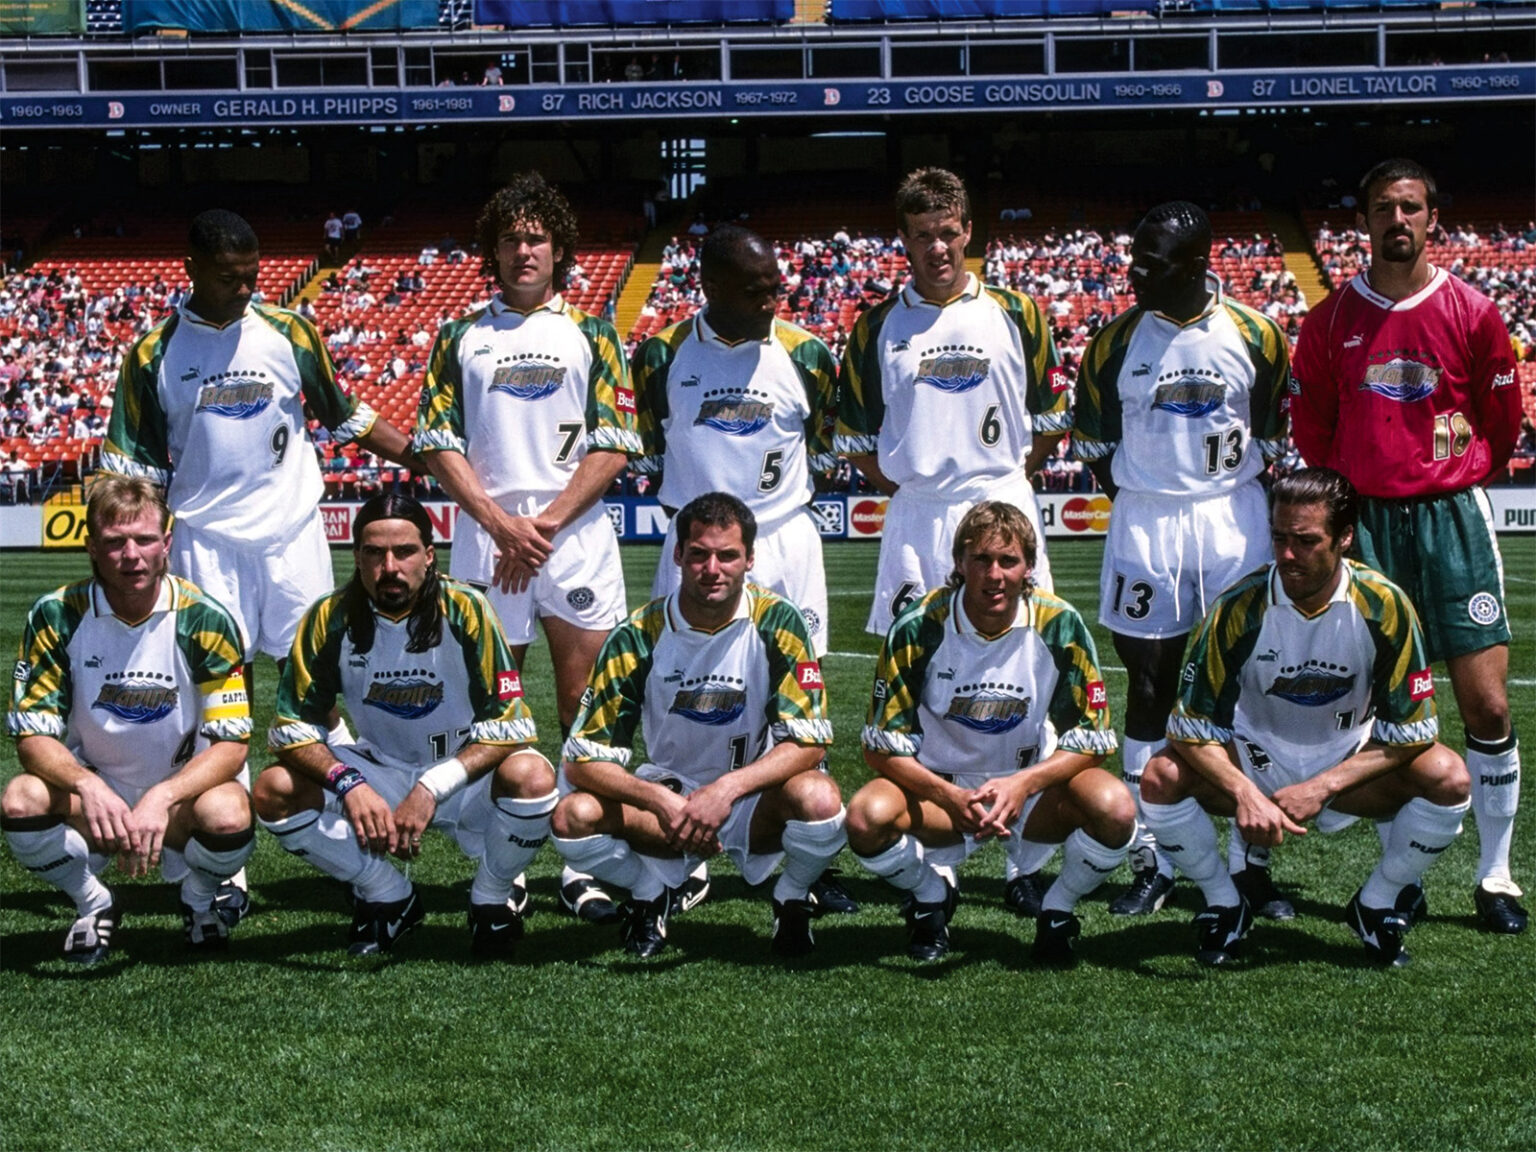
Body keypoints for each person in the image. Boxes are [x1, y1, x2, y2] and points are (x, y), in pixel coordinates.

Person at [1291, 158, 1526, 935]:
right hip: (1367, 524)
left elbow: (1501, 425)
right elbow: (1313, 432)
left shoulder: (1474, 312)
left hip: (1452, 517)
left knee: (1486, 703)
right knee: (1389, 708)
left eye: (1411, 207)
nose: (1398, 219)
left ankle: (1496, 874)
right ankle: (1404, 872)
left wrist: (1449, 473)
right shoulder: (1329, 322)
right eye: (1384, 208)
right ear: (1363, 221)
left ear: (1432, 219)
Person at [415, 173, 639, 924]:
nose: (523, 251)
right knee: (490, 712)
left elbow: (615, 442)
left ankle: (582, 860)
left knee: (585, 706)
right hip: (488, 538)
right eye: (510, 239)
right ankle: (500, 864)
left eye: (536, 238)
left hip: (572, 536)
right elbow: (436, 442)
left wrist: (539, 526)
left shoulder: (594, 333)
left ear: (559, 249)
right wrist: (498, 522)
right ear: (493, 250)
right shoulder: (459, 336)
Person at [1143, 468, 1471, 967]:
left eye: (1306, 540)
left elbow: (1412, 732)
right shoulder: (1237, 606)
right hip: (1256, 756)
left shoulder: (1384, 605)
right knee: (1160, 776)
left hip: (1348, 760)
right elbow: (1189, 729)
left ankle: (1376, 903)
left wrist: (1320, 787)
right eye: (1279, 538)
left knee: (1449, 777)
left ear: (1344, 538)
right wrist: (1245, 793)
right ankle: (1224, 903)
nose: (1288, 554)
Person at [1071, 201, 1291, 920]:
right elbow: (1096, 448)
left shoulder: (1257, 334)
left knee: (1248, 683)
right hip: (1146, 517)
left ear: (1197, 265)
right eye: (1134, 258)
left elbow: (1271, 433)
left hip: (1232, 515)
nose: (1134, 273)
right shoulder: (1112, 343)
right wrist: (1151, 491)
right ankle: (1154, 858)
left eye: (1151, 262)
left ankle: (1250, 864)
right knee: (1149, 682)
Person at [100, 209, 418, 685]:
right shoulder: (153, 354)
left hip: (292, 532)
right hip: (206, 539)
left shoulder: (289, 332)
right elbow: (137, 471)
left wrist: (424, 458)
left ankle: (317, 740)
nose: (245, 289)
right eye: (229, 278)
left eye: (253, 276)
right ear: (192, 269)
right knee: (222, 686)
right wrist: (134, 546)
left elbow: (346, 415)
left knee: (311, 680)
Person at [254, 494, 555, 958]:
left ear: (429, 556)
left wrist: (433, 787)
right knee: (274, 789)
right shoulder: (329, 616)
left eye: (405, 552)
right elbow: (291, 729)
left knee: (532, 777)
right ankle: (387, 894)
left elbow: (510, 724)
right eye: (374, 553)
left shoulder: (467, 608)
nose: (389, 567)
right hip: (383, 771)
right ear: (357, 557)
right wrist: (350, 783)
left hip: (463, 773)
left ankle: (492, 897)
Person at [549, 493, 845, 958]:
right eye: (699, 554)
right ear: (678, 555)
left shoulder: (777, 620)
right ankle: (649, 894)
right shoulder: (638, 633)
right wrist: (660, 800)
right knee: (573, 817)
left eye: (727, 555)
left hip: (750, 798)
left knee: (820, 799)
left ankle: (791, 898)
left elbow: (809, 742)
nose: (712, 569)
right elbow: (582, 761)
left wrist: (725, 790)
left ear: (750, 559)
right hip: (669, 801)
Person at [847, 501, 1131, 966]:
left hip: (1030, 792)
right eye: (980, 559)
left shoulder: (1059, 623)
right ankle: (931, 897)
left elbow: (1093, 738)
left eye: (1008, 560)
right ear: (959, 562)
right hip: (941, 794)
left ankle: (1058, 910)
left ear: (1029, 566)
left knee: (1115, 809)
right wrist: (948, 796)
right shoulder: (919, 625)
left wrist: (1023, 784)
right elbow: (879, 747)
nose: (994, 574)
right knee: (865, 817)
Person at [3, 478, 255, 962]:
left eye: (144, 539)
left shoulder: (205, 618)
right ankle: (93, 902)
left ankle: (198, 899)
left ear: (166, 543)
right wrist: (88, 786)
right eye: (115, 542)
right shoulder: (55, 614)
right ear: (92, 547)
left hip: (181, 799)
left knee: (229, 814)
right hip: (93, 800)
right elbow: (32, 736)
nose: (131, 555)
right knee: (21, 800)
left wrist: (162, 796)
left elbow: (232, 745)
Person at [836, 167, 1068, 640]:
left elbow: (1054, 418)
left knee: (1021, 644)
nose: (937, 247)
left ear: (967, 231)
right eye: (923, 235)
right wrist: (910, 490)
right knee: (914, 652)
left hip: (1004, 502)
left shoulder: (1018, 313)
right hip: (918, 514)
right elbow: (853, 438)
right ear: (904, 239)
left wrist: (1008, 480)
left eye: (946, 232)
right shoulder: (876, 327)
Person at [632, 223, 837, 654]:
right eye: (753, 292)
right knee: (679, 671)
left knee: (801, 674)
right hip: (698, 545)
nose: (770, 303)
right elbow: (652, 458)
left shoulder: (807, 354)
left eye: (775, 289)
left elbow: (821, 453)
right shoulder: (661, 355)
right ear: (711, 288)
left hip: (785, 538)